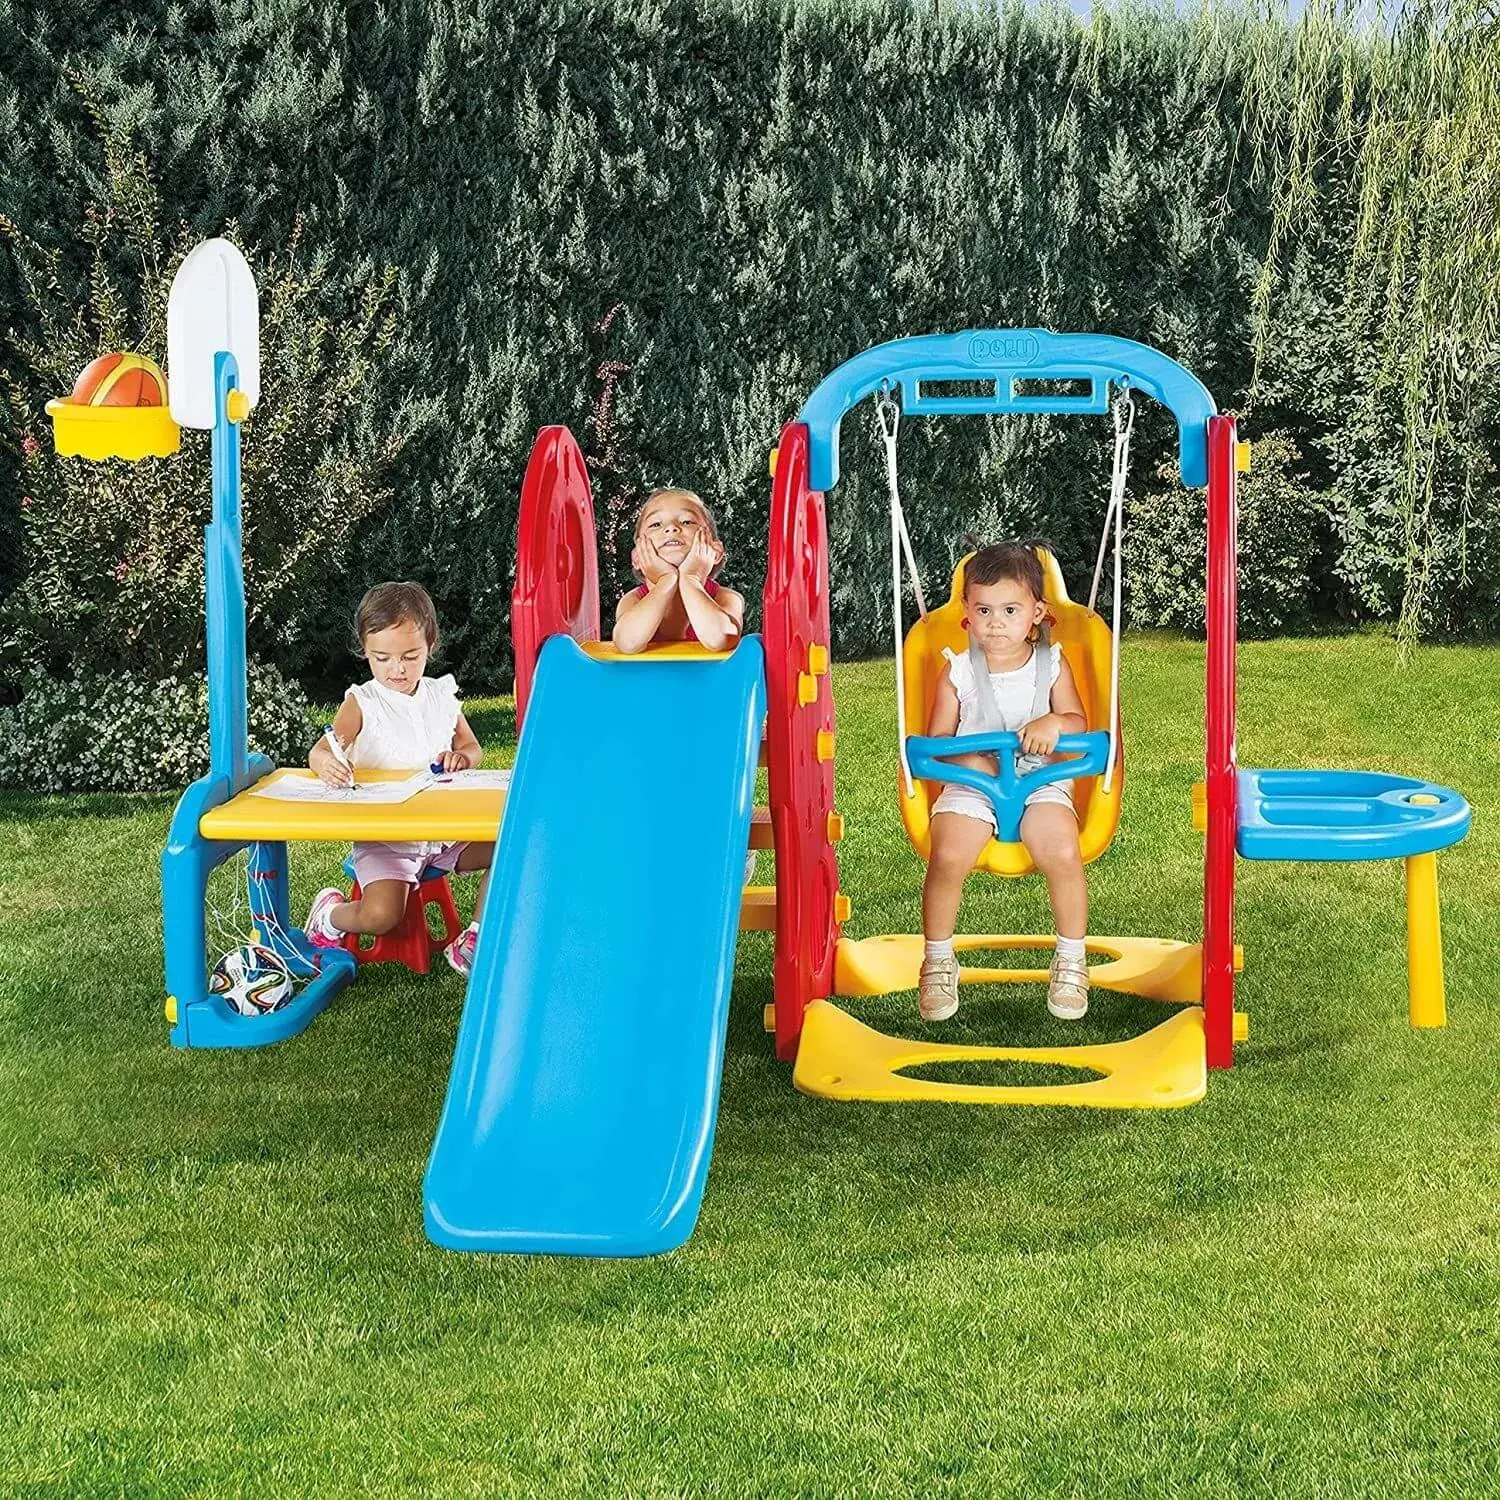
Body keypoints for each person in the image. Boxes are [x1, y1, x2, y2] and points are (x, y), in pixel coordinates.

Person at [918, 541, 1091, 1024]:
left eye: (1010, 610)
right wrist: (970, 760)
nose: (996, 622)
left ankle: (1071, 960)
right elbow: (937, 740)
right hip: (972, 782)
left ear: (1037, 613)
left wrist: (1054, 723)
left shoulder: (1052, 664)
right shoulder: (956, 671)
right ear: (967, 613)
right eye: (984, 610)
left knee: (1062, 851)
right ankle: (938, 959)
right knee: (948, 856)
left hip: (1042, 779)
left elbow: (1078, 722)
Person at [303, 581, 493, 976]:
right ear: (365, 651)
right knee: (381, 916)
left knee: (512, 849)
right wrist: (327, 763)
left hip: (444, 830)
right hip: (387, 837)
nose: (398, 669)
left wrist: (461, 757)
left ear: (430, 646)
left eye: (410, 656)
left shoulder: (441, 695)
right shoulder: (362, 702)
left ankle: (476, 937)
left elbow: (472, 747)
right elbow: (321, 751)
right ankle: (330, 915)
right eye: (382, 658)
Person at [612, 488, 745, 653]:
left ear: (715, 551)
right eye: (655, 524)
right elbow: (627, 643)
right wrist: (666, 581)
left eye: (687, 522)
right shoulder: (633, 600)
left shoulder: (726, 598)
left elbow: (720, 639)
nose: (671, 528)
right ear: (638, 557)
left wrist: (691, 578)